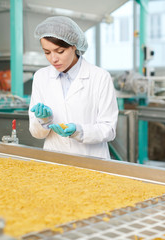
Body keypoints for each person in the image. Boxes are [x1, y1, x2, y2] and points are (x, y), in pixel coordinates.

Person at [28, 16, 119, 159]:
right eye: (47, 52)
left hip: (92, 160)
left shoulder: (100, 77)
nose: (53, 59)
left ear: (74, 46)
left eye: (60, 51)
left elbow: (109, 129)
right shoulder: (41, 77)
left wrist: (79, 131)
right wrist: (43, 121)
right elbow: (36, 133)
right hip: (54, 159)